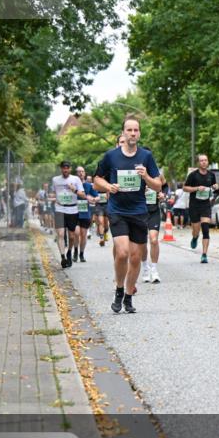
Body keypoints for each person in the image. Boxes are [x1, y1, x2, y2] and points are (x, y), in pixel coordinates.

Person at [93, 116, 162, 314]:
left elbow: (157, 185)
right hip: (118, 211)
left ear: (139, 133)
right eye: (129, 130)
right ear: (123, 133)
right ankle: (119, 289)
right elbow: (96, 180)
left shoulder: (146, 156)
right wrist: (109, 186)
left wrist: (146, 176)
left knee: (135, 257)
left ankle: (129, 296)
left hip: (139, 212)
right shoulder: (111, 156)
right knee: (122, 252)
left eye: (136, 130)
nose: (132, 133)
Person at [183, 154, 218, 263]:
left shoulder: (211, 175)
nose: (203, 162)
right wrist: (197, 188)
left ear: (208, 162)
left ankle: (204, 254)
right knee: (196, 230)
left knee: (206, 229)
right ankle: (195, 237)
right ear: (198, 163)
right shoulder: (193, 175)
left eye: (205, 160)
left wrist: (216, 186)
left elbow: (215, 185)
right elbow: (184, 188)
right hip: (194, 205)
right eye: (201, 160)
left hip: (205, 205)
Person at [51, 161, 86, 268]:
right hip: (60, 208)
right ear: (61, 169)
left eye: (67, 168)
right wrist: (54, 198)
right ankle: (63, 258)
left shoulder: (75, 179)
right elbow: (54, 192)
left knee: (71, 236)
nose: (65, 170)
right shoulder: (55, 180)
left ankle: (69, 252)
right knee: (60, 234)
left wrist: (74, 189)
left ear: (70, 169)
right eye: (63, 168)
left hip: (72, 209)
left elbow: (83, 195)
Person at [141, 177, 167, 283]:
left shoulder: (157, 175)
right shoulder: (138, 174)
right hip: (140, 212)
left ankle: (154, 270)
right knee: (142, 242)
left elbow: (165, 187)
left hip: (154, 212)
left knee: (154, 240)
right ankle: (145, 268)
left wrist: (163, 195)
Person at [74, 167, 97, 262]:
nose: (80, 173)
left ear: (84, 173)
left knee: (83, 235)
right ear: (76, 174)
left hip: (85, 213)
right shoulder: (73, 185)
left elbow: (97, 196)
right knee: (76, 233)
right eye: (78, 172)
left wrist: (94, 199)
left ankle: (81, 254)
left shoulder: (88, 185)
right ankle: (75, 252)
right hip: (74, 213)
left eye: (82, 171)